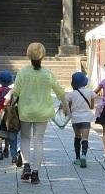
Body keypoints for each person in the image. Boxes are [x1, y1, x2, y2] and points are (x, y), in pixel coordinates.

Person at [10, 42, 69, 184]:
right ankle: (35, 173)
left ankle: (26, 166)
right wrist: (65, 106)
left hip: (25, 111)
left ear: (29, 56)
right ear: (43, 57)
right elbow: (60, 91)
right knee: (39, 141)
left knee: (25, 138)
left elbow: (16, 92)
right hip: (42, 112)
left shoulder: (23, 72)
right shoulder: (47, 74)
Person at [65, 72, 95, 168]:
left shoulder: (71, 94)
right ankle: (83, 156)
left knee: (77, 137)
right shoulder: (90, 92)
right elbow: (92, 106)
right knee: (85, 138)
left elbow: (69, 108)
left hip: (75, 119)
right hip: (86, 118)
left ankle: (77, 158)